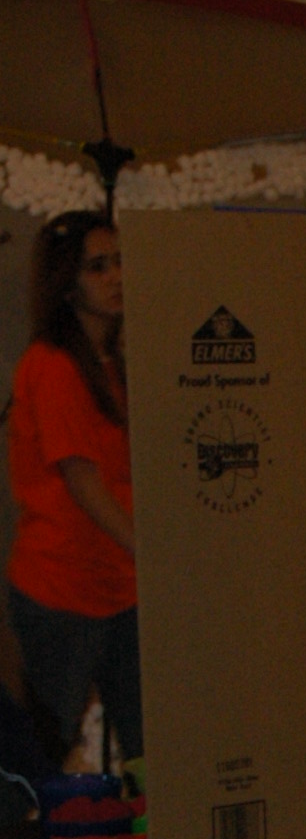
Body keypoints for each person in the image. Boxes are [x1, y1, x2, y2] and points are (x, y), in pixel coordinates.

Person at [5, 209, 143, 767]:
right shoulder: (53, 365)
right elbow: (81, 479)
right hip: (62, 591)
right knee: (50, 752)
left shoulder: (112, 364)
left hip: (119, 587)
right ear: (66, 283)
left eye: (120, 261)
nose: (116, 277)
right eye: (97, 267)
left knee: (148, 742)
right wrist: (150, 552)